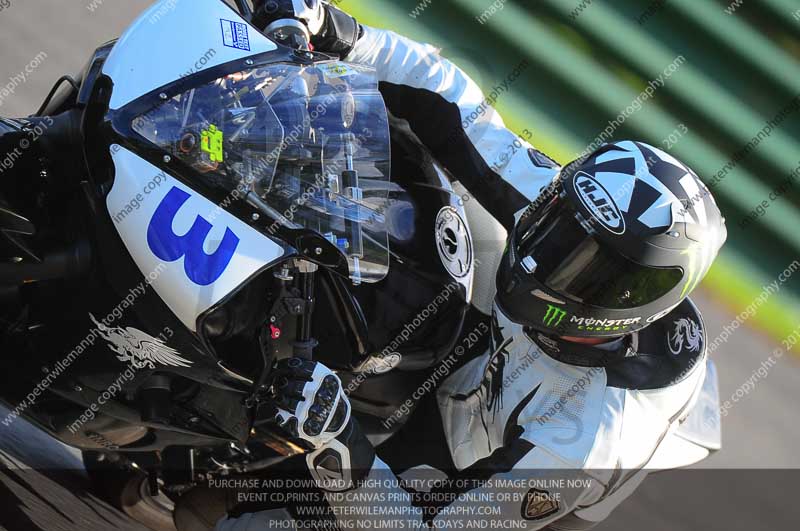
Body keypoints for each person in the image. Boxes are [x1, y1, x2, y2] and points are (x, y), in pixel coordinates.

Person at [208, 1, 727, 529]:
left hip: (478, 452)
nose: (548, 259)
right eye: (559, 230)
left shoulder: (590, 437)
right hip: (490, 338)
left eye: (585, 271)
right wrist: (336, 31)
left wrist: (341, 442)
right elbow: (448, 100)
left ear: (629, 307)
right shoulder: (564, 209)